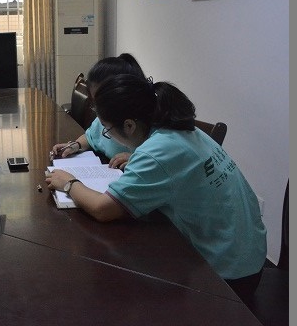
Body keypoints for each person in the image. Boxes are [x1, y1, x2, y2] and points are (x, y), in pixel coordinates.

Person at [45, 74, 267, 302]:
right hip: (248, 254)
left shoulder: (157, 152)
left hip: (226, 276)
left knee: (118, 286)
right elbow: (177, 166)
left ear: (129, 125)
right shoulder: (182, 130)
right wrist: (138, 159)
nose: (107, 135)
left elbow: (103, 209)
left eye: (107, 130)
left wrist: (69, 183)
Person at [51, 53, 145, 170]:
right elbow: (91, 137)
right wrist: (76, 145)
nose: (98, 108)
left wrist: (137, 159)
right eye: (95, 102)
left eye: (102, 101)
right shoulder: (106, 117)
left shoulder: (148, 129)